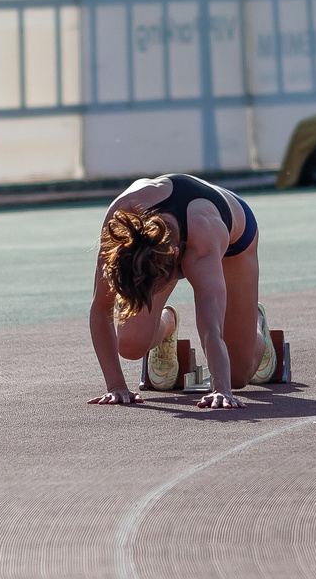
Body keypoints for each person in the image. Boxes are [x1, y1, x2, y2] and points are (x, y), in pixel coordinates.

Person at [88, 173, 268, 409]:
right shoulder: (121, 221)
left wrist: (221, 389)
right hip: (164, 240)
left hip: (234, 239)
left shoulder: (201, 244)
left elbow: (211, 328)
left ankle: (255, 322)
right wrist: (116, 386)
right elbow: (101, 307)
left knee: (237, 375)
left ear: (174, 259)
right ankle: (168, 325)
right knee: (131, 346)